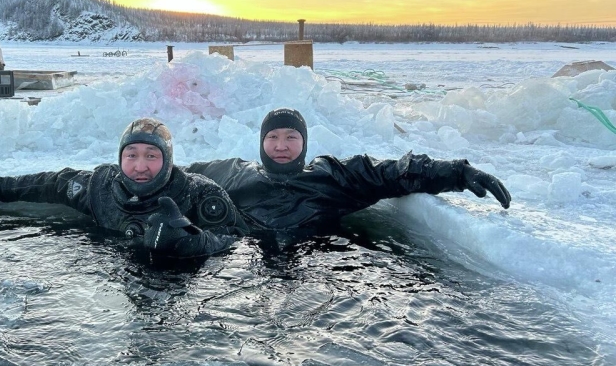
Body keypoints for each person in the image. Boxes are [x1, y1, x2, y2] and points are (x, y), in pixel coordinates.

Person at [0, 118, 247, 258]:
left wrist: (192, 243)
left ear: (168, 160)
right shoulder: (101, 188)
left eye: (151, 156)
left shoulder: (199, 193)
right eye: (131, 155)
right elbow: (52, 184)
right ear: (120, 158)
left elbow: (236, 238)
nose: (140, 166)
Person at [184, 108, 511, 230]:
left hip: (321, 268)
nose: (281, 145)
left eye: (291, 137)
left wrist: (458, 173)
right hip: (244, 264)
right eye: (273, 137)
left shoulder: (330, 175)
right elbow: (176, 176)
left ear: (304, 143)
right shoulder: (235, 172)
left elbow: (392, 172)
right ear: (261, 141)